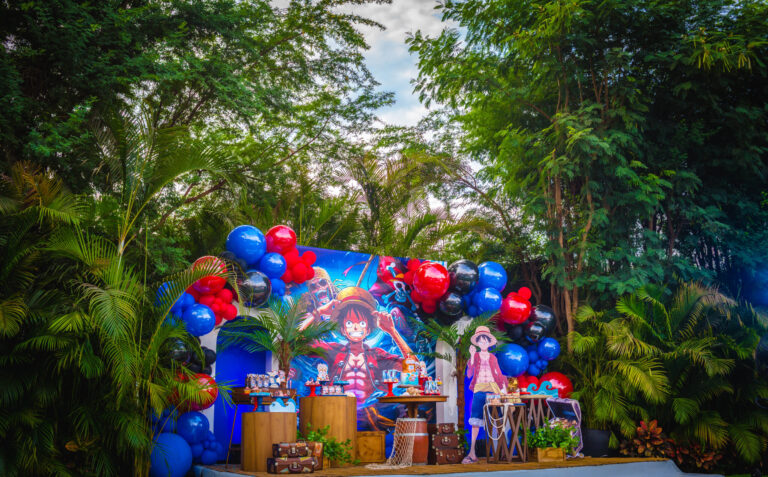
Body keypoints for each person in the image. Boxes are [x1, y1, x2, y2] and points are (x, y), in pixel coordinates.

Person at [311, 287, 413, 405]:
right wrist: (318, 312)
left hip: (372, 410)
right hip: (336, 408)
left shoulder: (377, 355)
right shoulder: (334, 350)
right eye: (349, 323)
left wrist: (392, 331)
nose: (355, 327)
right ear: (343, 330)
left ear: (368, 330)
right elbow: (298, 343)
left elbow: (413, 368)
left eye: (362, 323)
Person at [462, 325, 507, 464]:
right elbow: (469, 373)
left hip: (493, 390)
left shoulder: (493, 357)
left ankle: (501, 451)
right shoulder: (475, 356)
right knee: (475, 421)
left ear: (488, 342)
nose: (483, 343)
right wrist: (471, 356)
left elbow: (498, 373)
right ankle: (472, 453)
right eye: (480, 341)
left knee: (497, 420)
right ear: (477, 343)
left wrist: (503, 388)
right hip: (479, 390)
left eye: (485, 341)